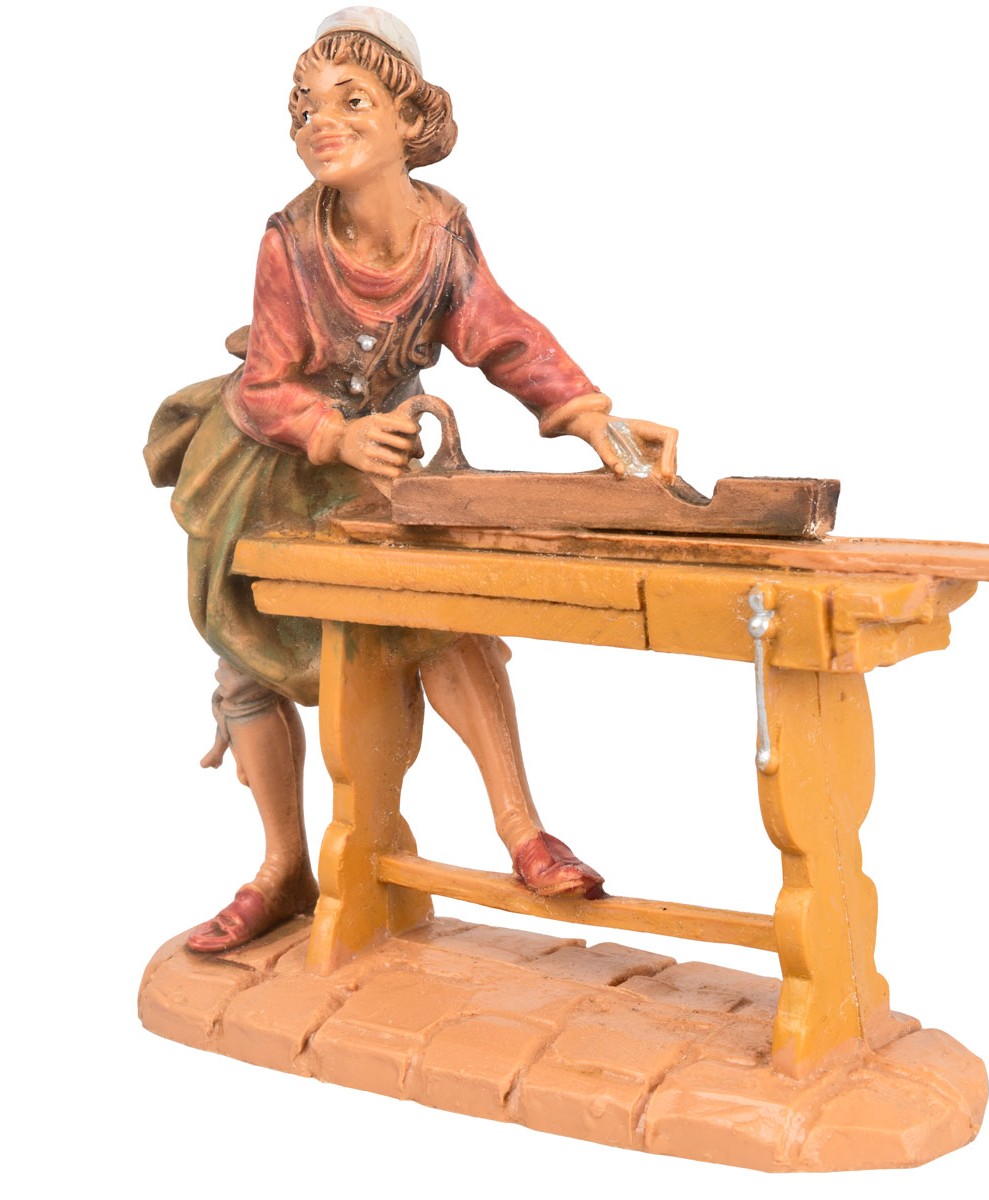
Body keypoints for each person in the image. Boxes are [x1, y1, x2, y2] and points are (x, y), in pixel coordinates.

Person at [145, 7, 678, 953]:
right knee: (249, 657)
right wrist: (336, 436)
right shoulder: (290, 239)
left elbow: (501, 332)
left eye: (351, 101)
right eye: (304, 106)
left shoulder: (443, 231)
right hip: (264, 471)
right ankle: (282, 866)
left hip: (382, 465)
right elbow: (263, 386)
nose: (320, 121)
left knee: (442, 615)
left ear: (411, 119)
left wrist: (592, 416)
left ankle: (523, 830)